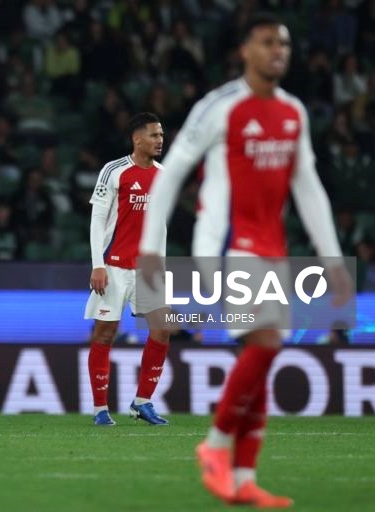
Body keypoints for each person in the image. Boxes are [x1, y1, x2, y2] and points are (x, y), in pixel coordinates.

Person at [139, 13, 353, 508]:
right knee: (267, 341)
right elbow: (170, 178)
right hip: (228, 244)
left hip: (272, 249)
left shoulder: (294, 112)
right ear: (245, 51)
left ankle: (243, 477)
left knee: (262, 355)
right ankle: (215, 447)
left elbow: (310, 189)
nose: (278, 50)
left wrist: (332, 260)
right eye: (267, 42)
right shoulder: (220, 107)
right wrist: (152, 256)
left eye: (284, 43)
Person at [84, 112, 172, 427]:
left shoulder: (164, 175)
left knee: (163, 330)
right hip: (114, 266)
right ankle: (100, 409)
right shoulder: (114, 171)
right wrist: (97, 264)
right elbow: (97, 220)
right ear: (137, 139)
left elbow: (159, 225)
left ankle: (142, 402)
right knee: (105, 334)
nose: (160, 140)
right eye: (153, 135)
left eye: (161, 135)